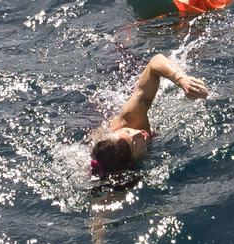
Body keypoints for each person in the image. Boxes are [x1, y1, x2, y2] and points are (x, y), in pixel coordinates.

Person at [89, 53, 209, 185]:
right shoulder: (126, 170)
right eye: (134, 144)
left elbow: (155, 63)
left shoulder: (131, 119)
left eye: (128, 132)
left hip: (102, 109)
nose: (138, 133)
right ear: (132, 162)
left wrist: (181, 80)